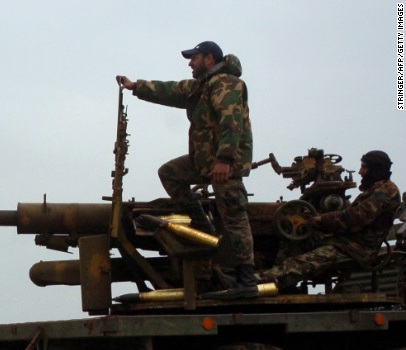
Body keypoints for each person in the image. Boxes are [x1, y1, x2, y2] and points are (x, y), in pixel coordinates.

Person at [117, 41, 257, 299]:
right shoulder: (200, 87)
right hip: (204, 161)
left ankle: (246, 281)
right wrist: (136, 86)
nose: (190, 63)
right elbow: (170, 90)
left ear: (210, 58)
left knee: (234, 218)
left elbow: (231, 121)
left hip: (225, 163)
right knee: (170, 173)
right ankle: (202, 225)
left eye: (195, 57)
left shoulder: (225, 83)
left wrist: (224, 159)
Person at [260, 151, 400, 290]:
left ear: (376, 169)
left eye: (364, 167)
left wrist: (322, 219)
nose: (360, 172)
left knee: (303, 263)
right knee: (296, 238)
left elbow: (356, 217)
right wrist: (315, 221)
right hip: (345, 242)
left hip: (357, 250)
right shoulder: (374, 190)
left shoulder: (388, 190)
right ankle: (274, 277)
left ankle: (262, 282)